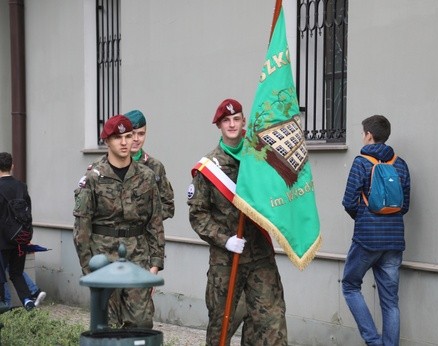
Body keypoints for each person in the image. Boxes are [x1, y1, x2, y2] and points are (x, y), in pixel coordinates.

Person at [187, 99, 287, 345]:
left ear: (244, 122)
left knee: (270, 323)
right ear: (219, 125)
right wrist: (225, 240)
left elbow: (277, 193)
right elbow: (198, 214)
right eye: (226, 120)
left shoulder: (259, 158)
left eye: (236, 119)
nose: (232, 124)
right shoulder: (209, 167)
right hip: (226, 260)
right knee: (222, 325)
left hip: (260, 257)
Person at [73, 115, 165, 328]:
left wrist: (155, 263)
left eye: (128, 136)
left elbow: (155, 221)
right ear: (106, 141)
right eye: (118, 138)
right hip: (103, 259)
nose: (125, 143)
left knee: (141, 323)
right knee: (107, 325)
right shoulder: (94, 178)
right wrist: (89, 268)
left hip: (138, 257)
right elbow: (82, 226)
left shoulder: (146, 176)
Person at [341, 115, 411, 346]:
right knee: (390, 301)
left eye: (363, 133)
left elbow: (349, 201)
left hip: (366, 239)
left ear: (369, 135)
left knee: (350, 285)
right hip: (394, 242)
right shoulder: (401, 165)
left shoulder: (361, 162)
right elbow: (405, 205)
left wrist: (364, 218)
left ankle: (374, 341)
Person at [0, 152, 36, 311]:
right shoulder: (22, 186)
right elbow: (28, 212)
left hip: (2, 241)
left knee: (1, 276)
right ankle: (28, 301)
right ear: (12, 166)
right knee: (17, 273)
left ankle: (4, 307)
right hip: (20, 238)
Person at [124, 109, 175, 220]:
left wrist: (145, 220)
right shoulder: (107, 167)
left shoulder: (155, 167)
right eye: (132, 134)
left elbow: (168, 205)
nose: (136, 139)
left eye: (141, 134)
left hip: (144, 235)